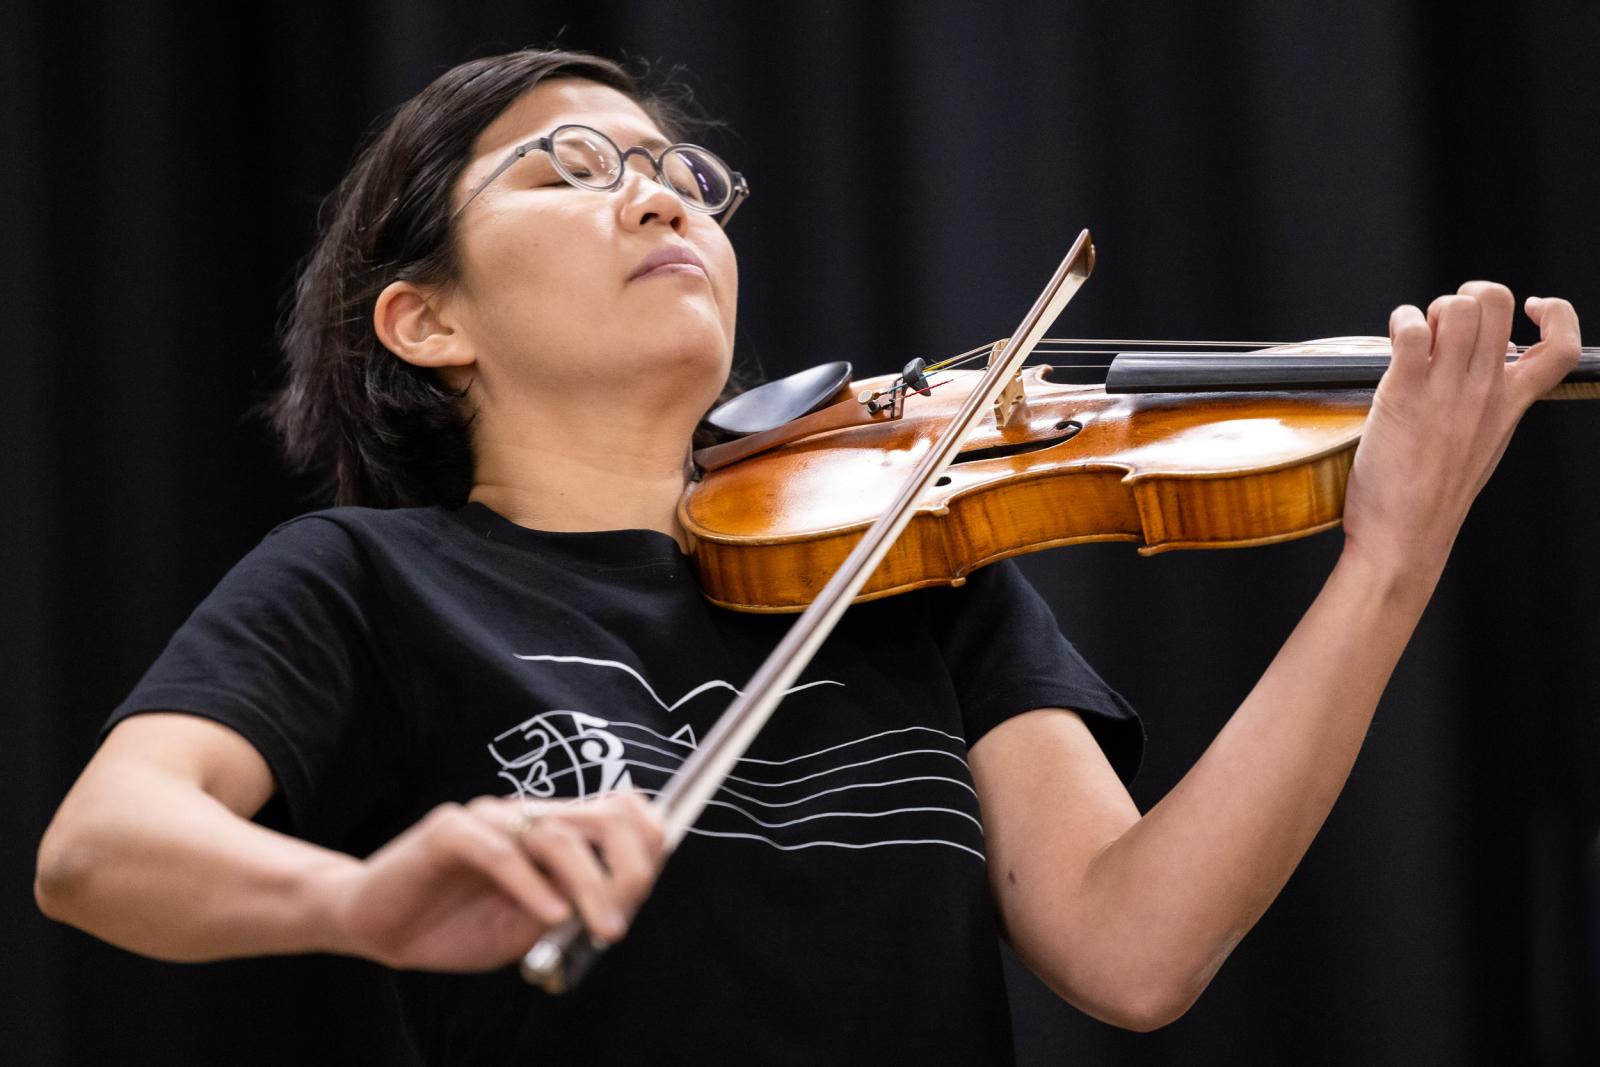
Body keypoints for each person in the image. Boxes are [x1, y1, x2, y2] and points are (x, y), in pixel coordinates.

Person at [32, 46, 1581, 1065]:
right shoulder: (367, 583)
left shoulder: (922, 557)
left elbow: (1136, 948)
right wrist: (355, 902)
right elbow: (99, 853)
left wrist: (1392, 551)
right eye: (567, 166)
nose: (657, 190)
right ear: (426, 319)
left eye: (681, 175)